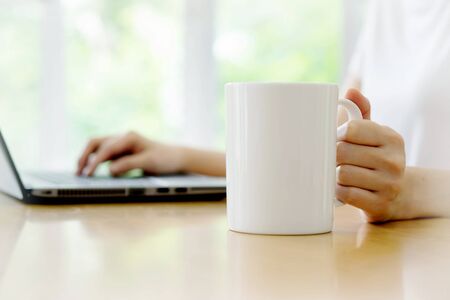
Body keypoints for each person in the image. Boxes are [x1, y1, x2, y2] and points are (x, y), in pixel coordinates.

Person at [77, 0, 450, 223]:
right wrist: (178, 156)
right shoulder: (388, 9)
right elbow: (313, 156)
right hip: (384, 261)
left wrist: (407, 192)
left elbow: (385, 183)